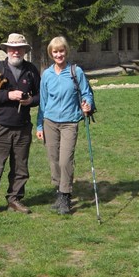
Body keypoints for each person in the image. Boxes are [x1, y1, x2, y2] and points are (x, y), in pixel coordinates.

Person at [0, 33, 40, 217]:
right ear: (6, 49)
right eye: (12, 48)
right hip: (0, 126)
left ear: (24, 51)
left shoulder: (31, 70)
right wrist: (8, 95)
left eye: (19, 48)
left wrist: (30, 100)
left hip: (22, 126)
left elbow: (40, 96)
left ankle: (15, 198)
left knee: (20, 167)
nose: (16, 51)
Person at [36, 36, 93, 215]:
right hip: (50, 122)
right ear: (50, 53)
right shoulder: (46, 74)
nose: (59, 54)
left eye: (61, 51)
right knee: (53, 160)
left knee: (65, 160)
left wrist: (87, 104)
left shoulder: (76, 71)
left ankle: (66, 195)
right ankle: (59, 193)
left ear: (66, 52)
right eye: (55, 51)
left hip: (70, 122)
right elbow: (43, 102)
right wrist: (39, 126)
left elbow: (87, 93)